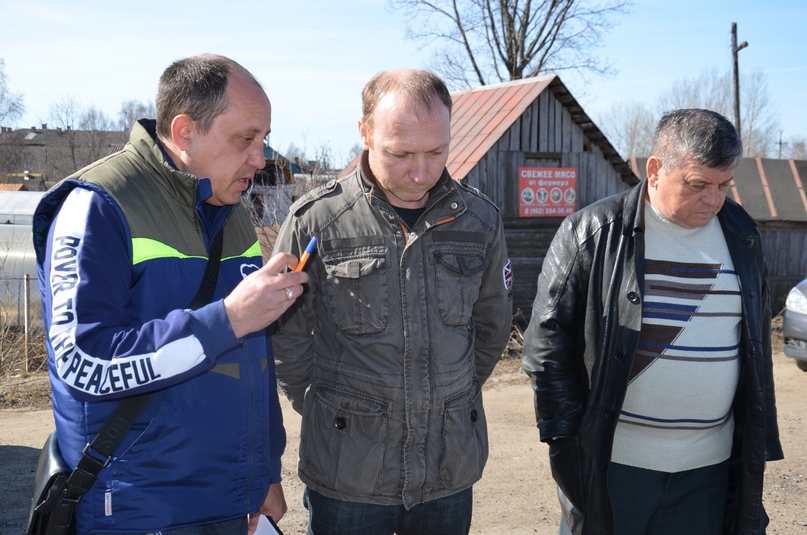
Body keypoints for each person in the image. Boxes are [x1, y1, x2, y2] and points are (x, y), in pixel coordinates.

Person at [33, 54, 308, 535]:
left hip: (230, 503)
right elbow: (82, 363)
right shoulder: (96, 206)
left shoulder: (234, 210)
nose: (260, 159)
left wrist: (262, 472)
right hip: (139, 511)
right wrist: (228, 319)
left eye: (263, 139)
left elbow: (252, 359)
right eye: (245, 139)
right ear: (184, 133)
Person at [272, 68, 513, 535]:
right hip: (349, 474)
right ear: (364, 132)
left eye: (437, 151)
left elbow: (492, 328)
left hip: (448, 470)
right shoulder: (317, 221)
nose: (421, 172)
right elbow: (288, 340)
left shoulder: (479, 221)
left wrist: (449, 399)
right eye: (400, 153)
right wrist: (335, 413)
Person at [522, 108, 783, 535]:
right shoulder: (591, 232)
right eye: (698, 185)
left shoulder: (743, 234)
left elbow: (755, 351)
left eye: (723, 185)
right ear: (655, 170)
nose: (714, 200)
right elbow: (545, 348)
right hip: (613, 469)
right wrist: (567, 444)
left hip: (709, 474)